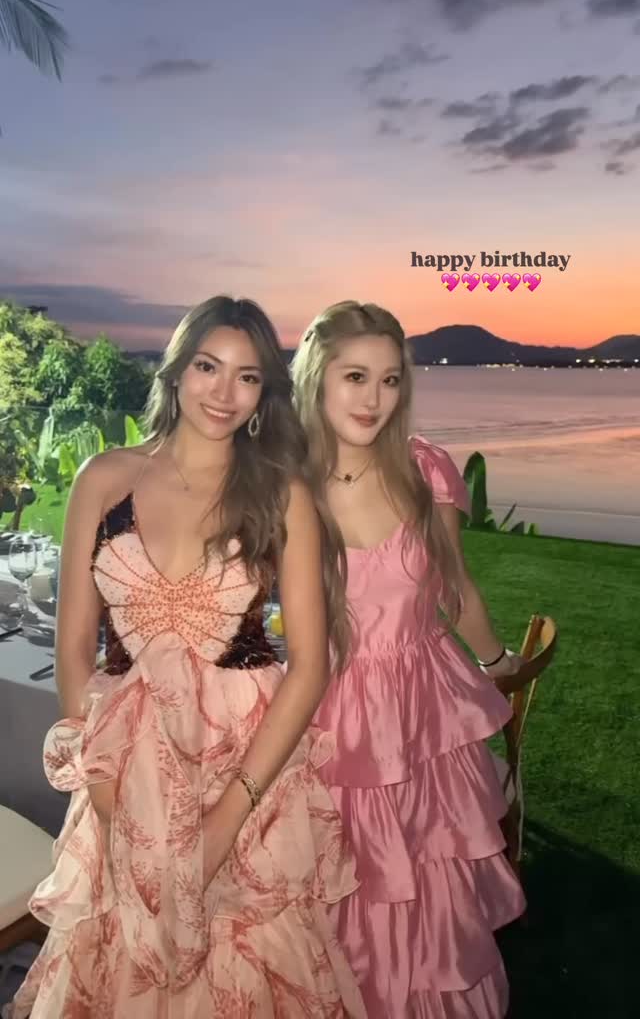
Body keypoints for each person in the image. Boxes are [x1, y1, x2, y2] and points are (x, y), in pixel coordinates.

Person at [7, 297, 365, 1019]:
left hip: (241, 766)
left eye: (247, 376)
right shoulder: (104, 478)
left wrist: (227, 819)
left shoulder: (281, 494)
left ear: (264, 394)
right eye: (208, 366)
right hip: (124, 766)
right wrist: (105, 792)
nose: (223, 392)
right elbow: (75, 646)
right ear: (176, 371)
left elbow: (310, 666)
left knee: (242, 963)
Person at [290, 300, 526, 1018]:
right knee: (346, 884)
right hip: (331, 718)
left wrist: (497, 660)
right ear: (316, 378)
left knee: (432, 876)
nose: (374, 398)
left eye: (390, 380)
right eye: (355, 377)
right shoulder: (283, 485)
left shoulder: (425, 469)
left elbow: (454, 587)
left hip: (426, 712)